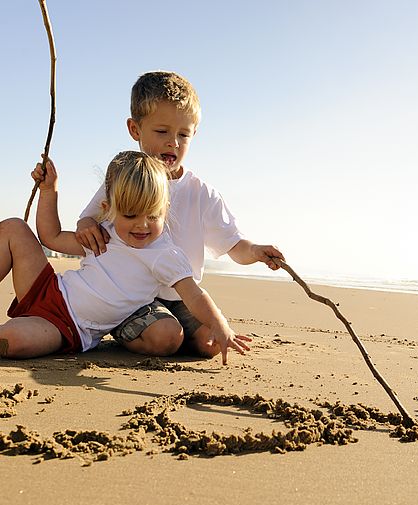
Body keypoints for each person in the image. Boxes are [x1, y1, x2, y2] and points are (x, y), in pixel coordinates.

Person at [0, 151, 251, 364]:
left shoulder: (165, 255)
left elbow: (195, 295)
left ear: (165, 210)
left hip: (67, 328)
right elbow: (51, 237)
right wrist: (50, 191)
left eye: (152, 216)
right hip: (48, 289)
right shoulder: (106, 233)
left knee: (8, 342)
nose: (141, 225)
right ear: (109, 209)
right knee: (12, 227)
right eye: (130, 215)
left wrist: (220, 325)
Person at [74, 71, 284, 359]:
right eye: (162, 132)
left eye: (183, 135)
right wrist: (86, 225)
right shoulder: (126, 179)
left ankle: (173, 331)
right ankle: (129, 326)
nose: (173, 142)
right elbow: (89, 219)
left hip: (182, 295)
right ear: (135, 129)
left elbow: (235, 246)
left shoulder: (202, 193)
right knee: (165, 339)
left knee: (208, 345)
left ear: (193, 134)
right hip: (133, 295)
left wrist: (256, 251)